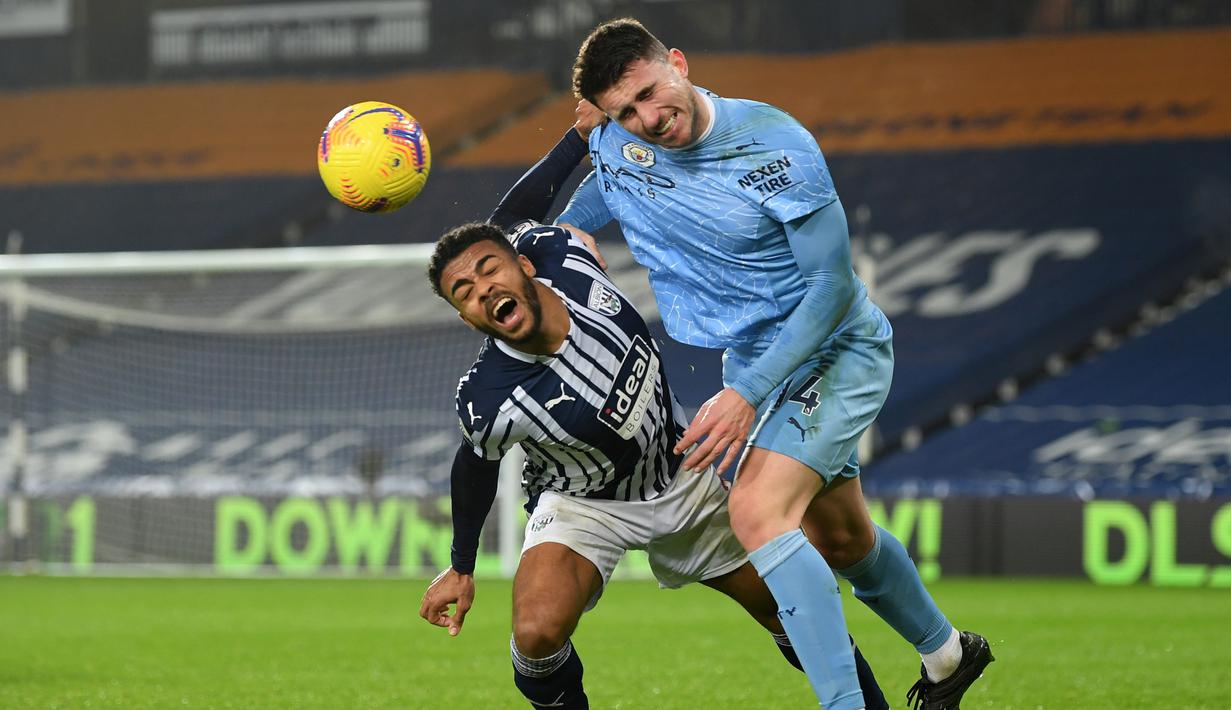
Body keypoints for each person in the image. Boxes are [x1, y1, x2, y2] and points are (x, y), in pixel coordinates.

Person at [558, 18, 993, 710]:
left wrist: (747, 393)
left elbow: (832, 287)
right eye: (624, 112)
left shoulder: (776, 144)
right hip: (754, 361)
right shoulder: (618, 145)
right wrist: (570, 235)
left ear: (676, 62)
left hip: (834, 349)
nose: (646, 119)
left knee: (757, 511)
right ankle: (949, 656)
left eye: (648, 93)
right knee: (841, 537)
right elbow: (585, 201)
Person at [418, 119, 888, 709]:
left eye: (489, 269)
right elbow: (475, 465)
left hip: (683, 470)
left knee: (796, 611)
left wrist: (578, 135)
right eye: (464, 291)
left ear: (523, 265)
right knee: (536, 634)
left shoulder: (561, 253)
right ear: (467, 319)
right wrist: (461, 567)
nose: (482, 288)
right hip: (585, 506)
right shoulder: (487, 396)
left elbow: (513, 214)